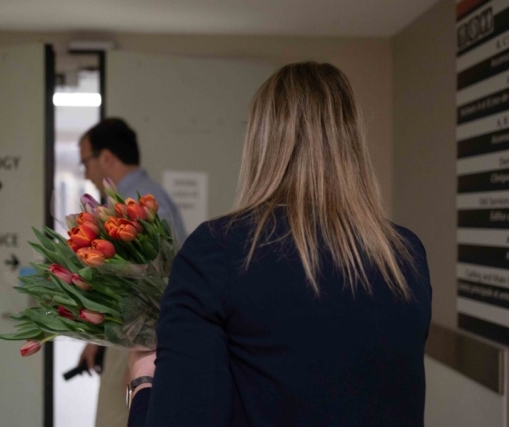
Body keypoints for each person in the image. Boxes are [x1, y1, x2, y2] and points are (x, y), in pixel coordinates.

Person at [126, 62, 432, 427]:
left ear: (260, 144)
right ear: (352, 144)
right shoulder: (405, 256)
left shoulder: (217, 252)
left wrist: (143, 382)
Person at [77, 117, 187, 427]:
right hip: (132, 342)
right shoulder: (142, 196)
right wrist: (95, 340)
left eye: (85, 162)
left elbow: (162, 286)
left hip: (140, 346)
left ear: (107, 158)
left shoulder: (138, 203)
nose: (85, 173)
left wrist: (142, 363)